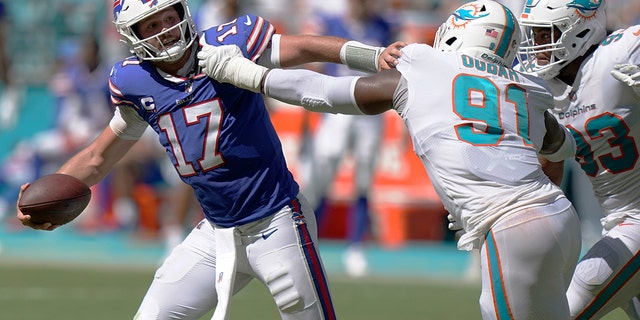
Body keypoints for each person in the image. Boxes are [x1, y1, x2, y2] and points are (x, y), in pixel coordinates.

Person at [15, 0, 401, 319]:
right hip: (215, 233)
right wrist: (45, 199)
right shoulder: (135, 83)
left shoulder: (224, 46)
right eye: (151, 25)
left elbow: (301, 47)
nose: (165, 29)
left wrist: (372, 55)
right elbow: (99, 156)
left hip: (277, 222)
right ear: (133, 37)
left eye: (169, 17)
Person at [197, 1, 582, 318]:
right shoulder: (527, 89)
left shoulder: (424, 63)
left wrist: (241, 72)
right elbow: (560, 145)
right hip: (562, 219)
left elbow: (324, 91)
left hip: (510, 224)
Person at [518, 0, 640, 318]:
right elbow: (550, 164)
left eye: (546, 35)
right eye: (533, 34)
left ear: (580, 28)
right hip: (617, 220)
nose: (536, 46)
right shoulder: (542, 85)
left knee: (563, 307)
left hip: (635, 223)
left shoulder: (623, 51)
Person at [298, 0, 399, 277]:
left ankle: (356, 247)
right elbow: (313, 65)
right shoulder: (330, 22)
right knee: (320, 177)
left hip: (370, 112)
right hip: (336, 110)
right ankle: (306, 244)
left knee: (364, 178)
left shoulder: (384, 25)